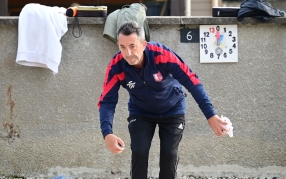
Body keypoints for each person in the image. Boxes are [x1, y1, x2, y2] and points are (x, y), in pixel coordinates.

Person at [98, 21, 229, 179]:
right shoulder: (116, 66)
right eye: (122, 47)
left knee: (169, 154)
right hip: (141, 112)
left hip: (172, 109)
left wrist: (211, 116)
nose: (128, 53)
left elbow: (192, 81)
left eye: (132, 46)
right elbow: (107, 101)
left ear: (143, 44)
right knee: (139, 152)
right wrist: (107, 133)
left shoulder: (161, 54)